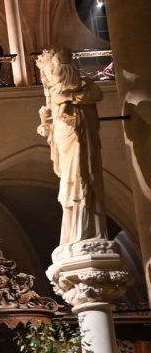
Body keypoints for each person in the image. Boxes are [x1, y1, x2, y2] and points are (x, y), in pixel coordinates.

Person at [36, 47, 106, 246]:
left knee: (81, 178)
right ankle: (74, 235)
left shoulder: (83, 91)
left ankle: (85, 232)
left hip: (78, 138)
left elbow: (90, 96)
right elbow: (53, 119)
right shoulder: (59, 94)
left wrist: (64, 101)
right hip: (66, 139)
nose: (50, 76)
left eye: (53, 69)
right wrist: (46, 123)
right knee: (70, 182)